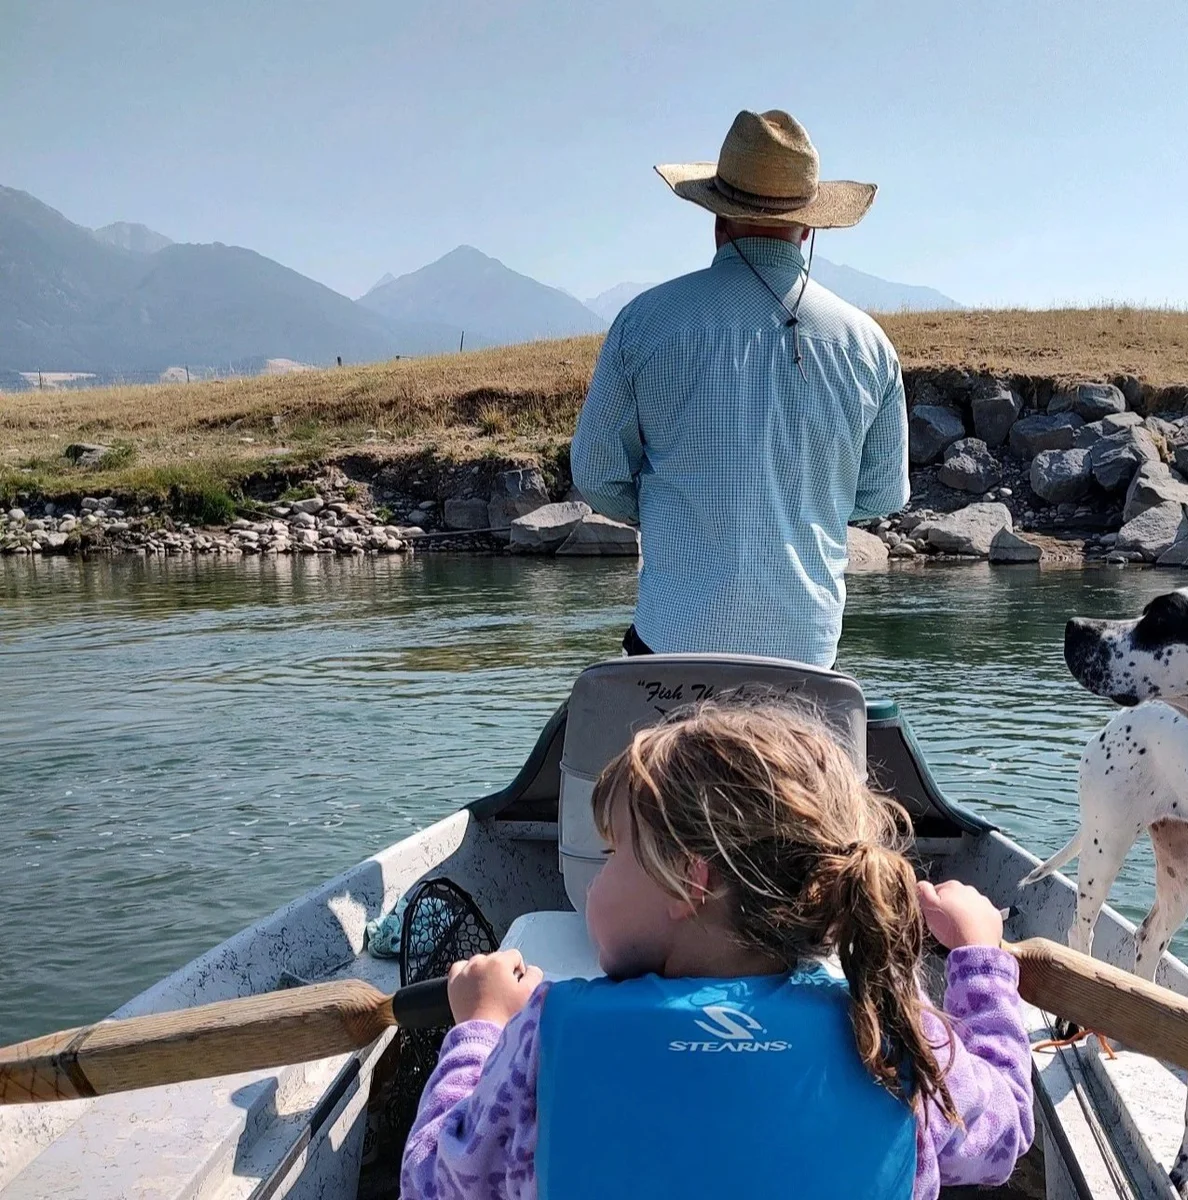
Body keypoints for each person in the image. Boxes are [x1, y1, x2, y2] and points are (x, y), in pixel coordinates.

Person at [401, 703, 1033, 1199]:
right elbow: (1003, 1136)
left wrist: (480, 1027)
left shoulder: (541, 1034)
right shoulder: (894, 1029)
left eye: (613, 854)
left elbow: (433, 1183)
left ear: (687, 880)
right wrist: (979, 957)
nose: (596, 881)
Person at [570, 109, 910, 668]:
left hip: (670, 645)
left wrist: (675, 509)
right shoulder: (869, 344)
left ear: (716, 219)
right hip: (807, 654)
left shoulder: (643, 322)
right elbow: (881, 496)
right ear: (809, 228)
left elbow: (598, 476)